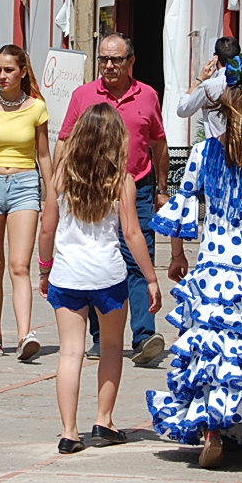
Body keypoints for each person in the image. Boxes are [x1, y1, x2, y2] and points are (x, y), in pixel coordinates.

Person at [148, 55, 242, 469]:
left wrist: (178, 255)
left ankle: (213, 426)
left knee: (211, 349)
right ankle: (231, 425)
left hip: (212, 267)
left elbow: (183, 209)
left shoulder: (202, 154)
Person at [40, 104, 160, 454]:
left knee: (70, 352)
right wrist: (151, 278)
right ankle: (104, 420)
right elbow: (133, 234)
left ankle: (69, 431)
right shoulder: (121, 182)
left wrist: (45, 268)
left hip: (68, 274)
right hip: (108, 274)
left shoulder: (60, 179)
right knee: (110, 347)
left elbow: (47, 229)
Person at [56, 33, 171, 365]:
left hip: (139, 187)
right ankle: (98, 336)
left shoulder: (148, 95)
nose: (108, 65)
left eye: (116, 59)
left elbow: (159, 144)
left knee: (138, 256)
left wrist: (162, 189)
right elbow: (65, 140)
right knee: (94, 260)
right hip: (93, 191)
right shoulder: (83, 95)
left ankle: (144, 336)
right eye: (103, 59)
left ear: (131, 62)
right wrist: (59, 185)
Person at [0, 44, 50, 360]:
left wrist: (51, 191)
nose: (2, 75)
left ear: (22, 71)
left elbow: (43, 154)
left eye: (9, 70)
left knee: (19, 265)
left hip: (25, 184)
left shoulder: (36, 108)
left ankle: (24, 334)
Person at [175, 36, 240, 140]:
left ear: (216, 58)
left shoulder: (209, 86)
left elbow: (183, 109)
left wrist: (200, 79)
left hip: (216, 149)